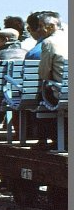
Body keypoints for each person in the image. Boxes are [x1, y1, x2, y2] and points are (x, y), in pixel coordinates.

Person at [34, 13, 68, 150]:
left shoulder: (49, 42)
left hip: (62, 93)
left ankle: (44, 140)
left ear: (51, 26)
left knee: (39, 96)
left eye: (41, 26)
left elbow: (44, 73)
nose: (38, 30)